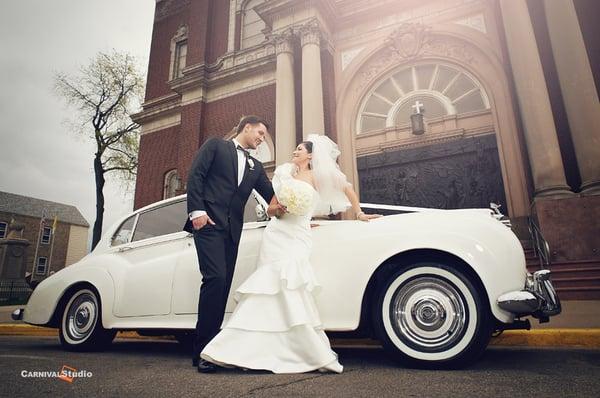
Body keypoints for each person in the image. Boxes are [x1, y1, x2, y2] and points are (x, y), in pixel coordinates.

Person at [200, 134, 382, 374]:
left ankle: (299, 346)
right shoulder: (285, 175)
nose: (295, 151)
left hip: (298, 235)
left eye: (299, 149)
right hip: (276, 234)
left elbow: (348, 190)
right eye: (295, 148)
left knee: (291, 283)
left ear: (310, 155)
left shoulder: (319, 176)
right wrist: (278, 208)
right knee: (266, 287)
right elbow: (272, 207)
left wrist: (358, 213)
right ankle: (245, 349)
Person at [184, 115, 275, 373]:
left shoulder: (255, 167)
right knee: (215, 278)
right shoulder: (215, 146)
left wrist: (299, 210)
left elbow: (272, 198)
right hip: (208, 223)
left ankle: (212, 350)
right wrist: (197, 212)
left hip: (233, 232)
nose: (261, 138)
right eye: (259, 132)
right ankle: (203, 350)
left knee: (222, 287)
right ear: (246, 127)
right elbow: (196, 176)